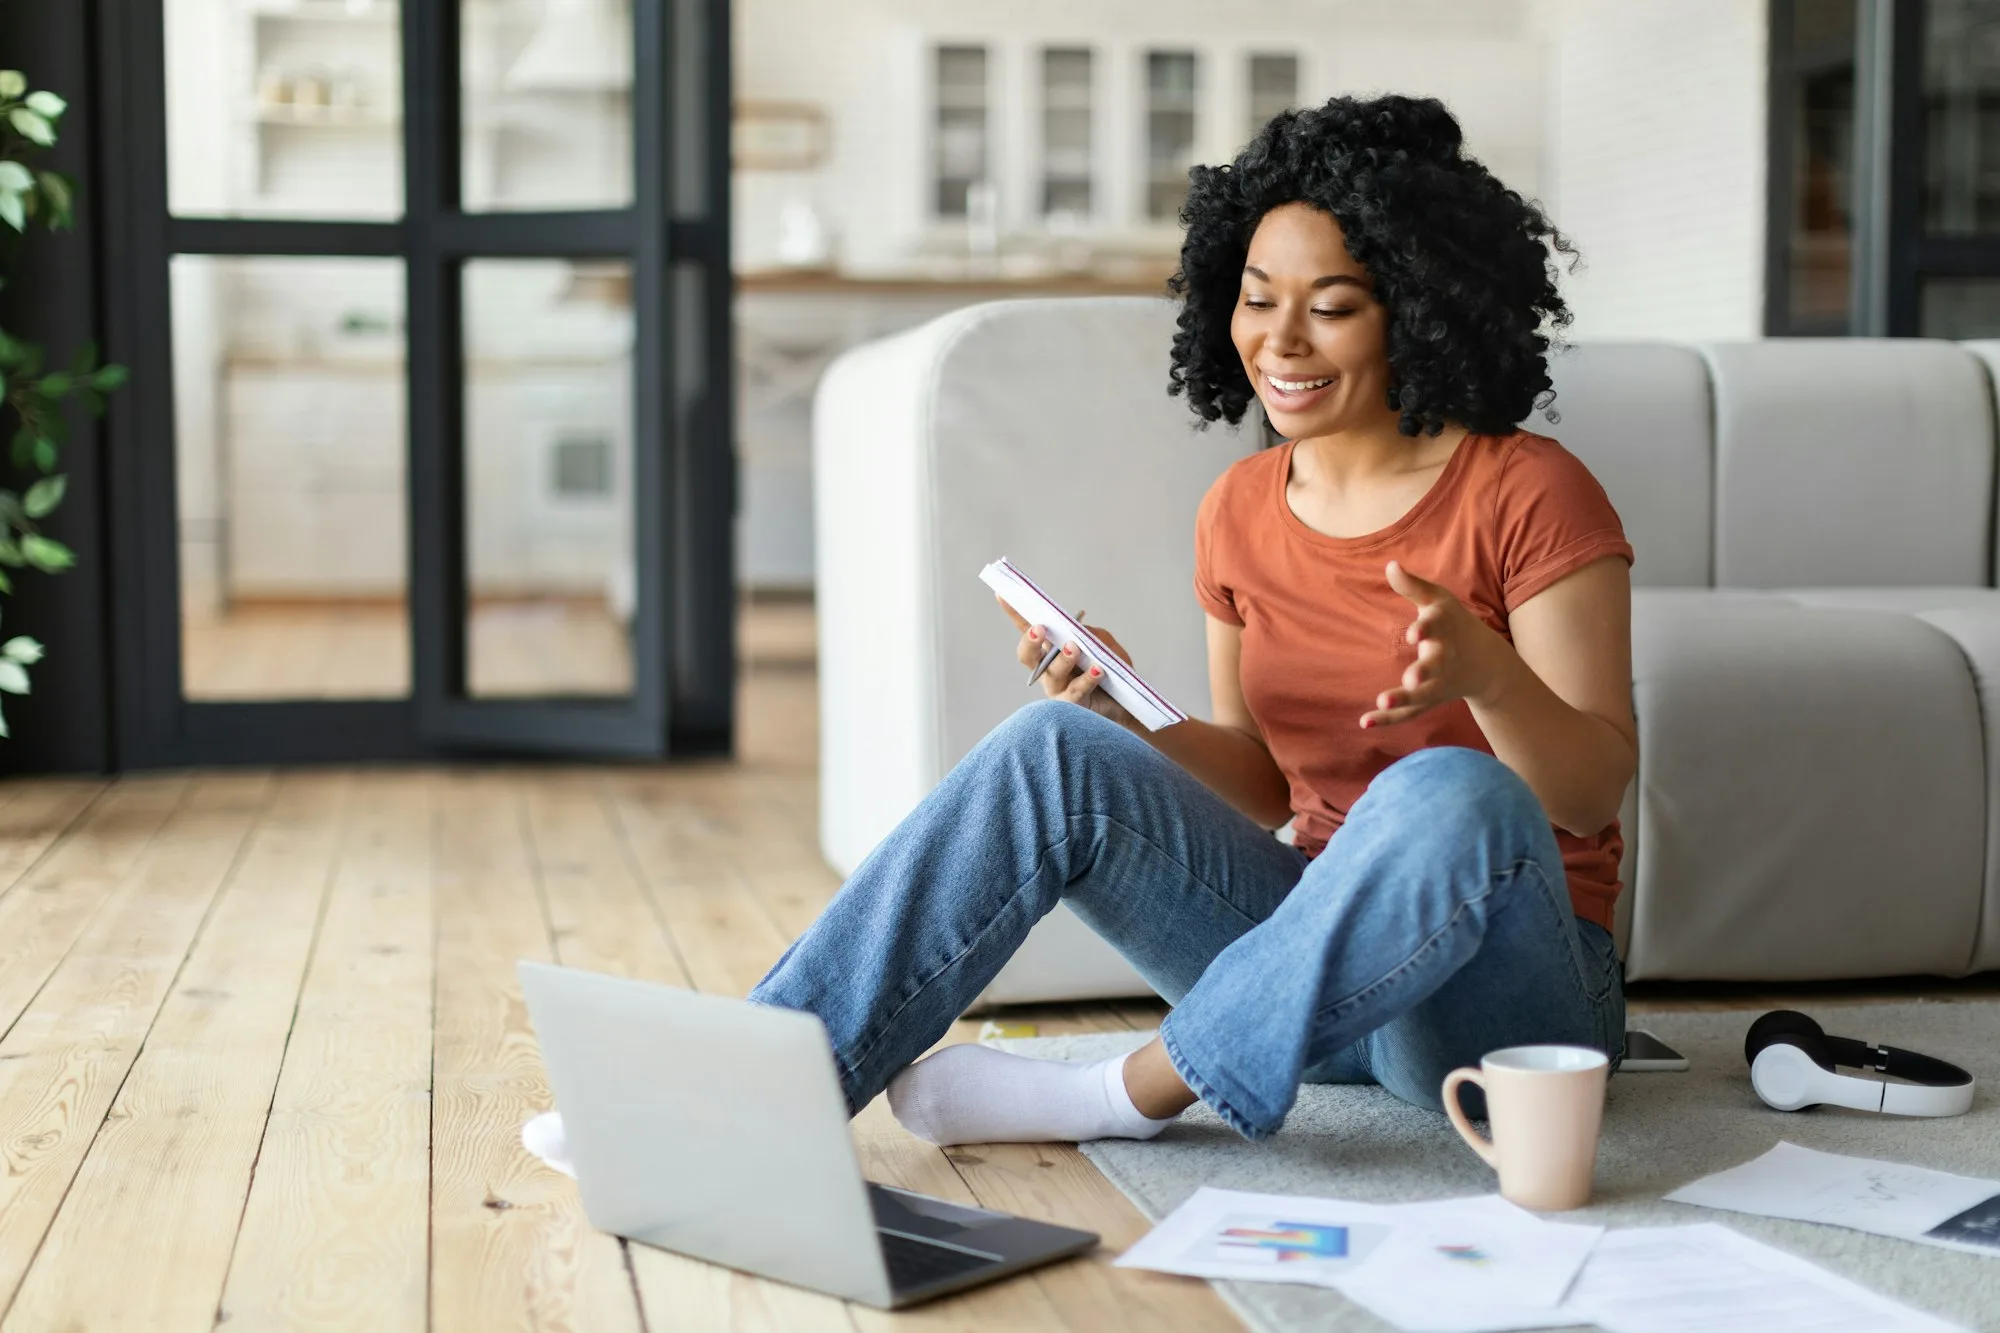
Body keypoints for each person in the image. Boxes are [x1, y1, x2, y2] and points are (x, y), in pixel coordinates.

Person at [750, 93, 1635, 1147]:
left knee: (1448, 788)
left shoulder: (1528, 490)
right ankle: (750, 1081)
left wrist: (1488, 676)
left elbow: (1587, 793)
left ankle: (1118, 1093)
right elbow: (1266, 782)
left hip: (1500, 1006)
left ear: (1417, 307)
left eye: (1333, 306)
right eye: (1257, 300)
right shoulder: (1240, 507)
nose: (1280, 339)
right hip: (1313, 985)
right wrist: (1131, 716)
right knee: (1051, 747)